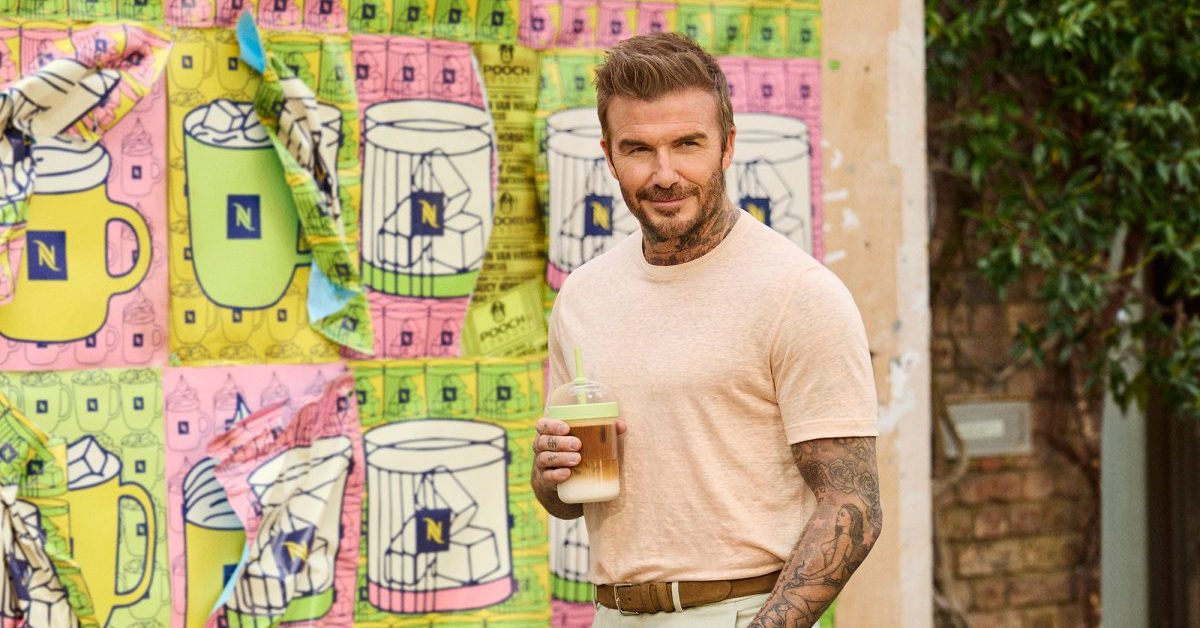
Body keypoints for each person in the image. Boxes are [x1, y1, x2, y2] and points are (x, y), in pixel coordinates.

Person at [530, 32, 882, 628]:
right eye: (638, 149)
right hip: (611, 613)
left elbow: (854, 505)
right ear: (609, 156)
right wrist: (550, 475)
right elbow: (567, 501)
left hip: (743, 611)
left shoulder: (798, 293)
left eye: (687, 144)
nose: (664, 174)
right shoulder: (583, 296)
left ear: (727, 146)